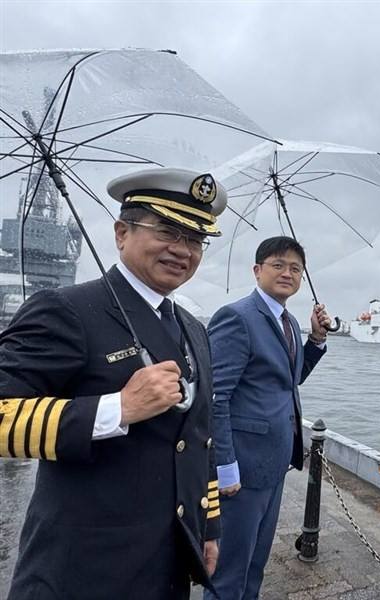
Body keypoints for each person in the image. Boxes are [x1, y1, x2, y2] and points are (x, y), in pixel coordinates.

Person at [0, 167, 227, 599]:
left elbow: (200, 438)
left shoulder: (194, 330)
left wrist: (207, 528)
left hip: (168, 562)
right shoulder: (66, 309)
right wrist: (117, 408)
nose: (182, 249)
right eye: (166, 229)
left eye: (196, 239)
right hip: (83, 568)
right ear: (122, 233)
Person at [205, 236, 330, 600]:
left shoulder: (289, 321)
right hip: (241, 469)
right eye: (278, 265)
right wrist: (224, 467)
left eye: (295, 268)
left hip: (274, 465)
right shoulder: (237, 317)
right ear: (257, 270)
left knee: (255, 564)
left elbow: (289, 383)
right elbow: (216, 398)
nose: (287, 273)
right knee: (228, 571)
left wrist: (317, 340)